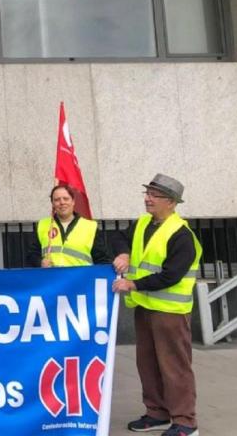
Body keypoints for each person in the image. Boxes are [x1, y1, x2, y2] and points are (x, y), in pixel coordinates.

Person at [111, 174, 201, 436]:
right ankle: (157, 413)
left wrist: (133, 284)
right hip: (145, 308)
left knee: (174, 367)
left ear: (171, 203)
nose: (148, 199)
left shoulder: (181, 235)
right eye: (147, 194)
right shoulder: (142, 224)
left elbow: (171, 275)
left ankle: (185, 422)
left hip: (170, 313)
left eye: (154, 195)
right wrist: (124, 252)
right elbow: (118, 237)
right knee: (147, 363)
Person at [30, 184, 108, 268]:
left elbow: (102, 260)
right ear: (52, 203)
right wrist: (40, 262)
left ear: (73, 201)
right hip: (52, 279)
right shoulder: (42, 225)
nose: (62, 202)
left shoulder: (90, 227)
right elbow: (31, 255)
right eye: (57, 200)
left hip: (79, 279)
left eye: (66, 199)